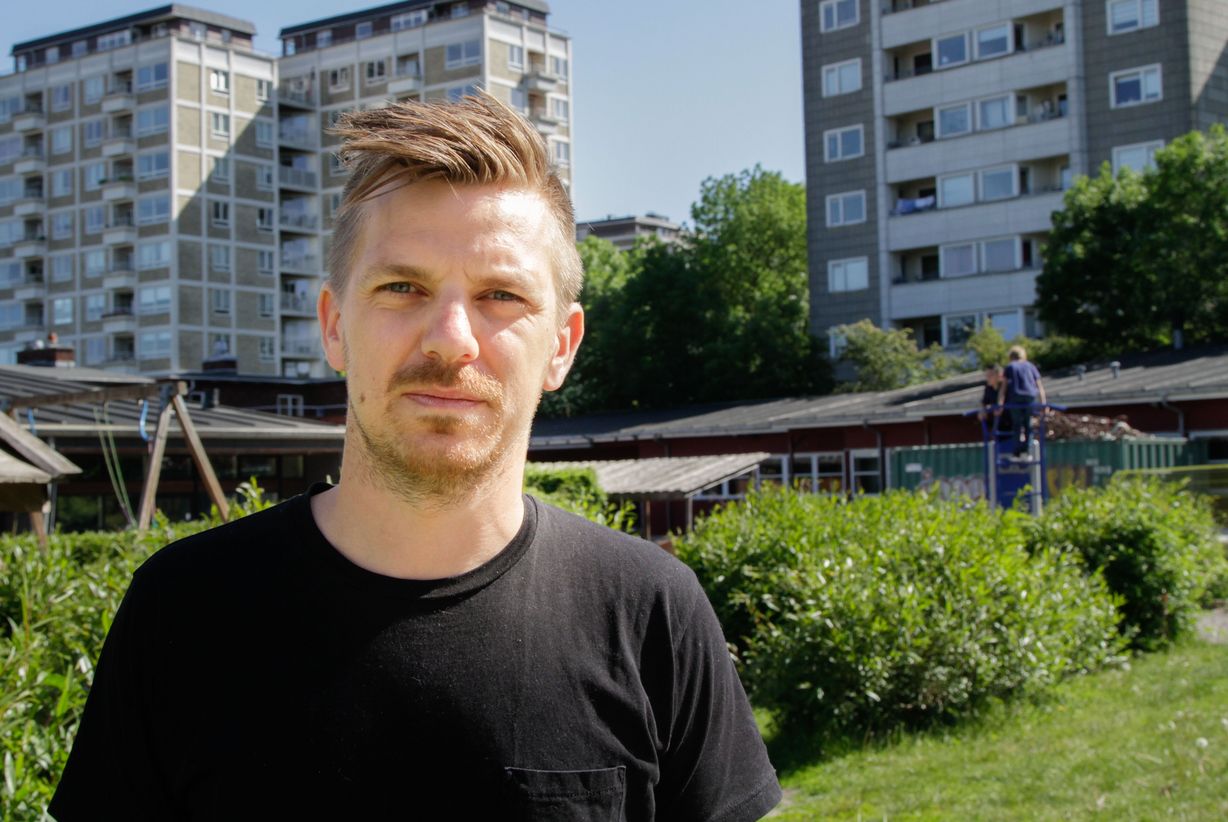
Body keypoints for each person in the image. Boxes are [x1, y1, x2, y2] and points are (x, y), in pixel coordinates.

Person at [50, 94, 781, 821]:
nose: (450, 338)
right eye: (403, 287)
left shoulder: (651, 611)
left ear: (562, 344)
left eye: (501, 294)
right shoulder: (182, 612)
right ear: (335, 327)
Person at [996, 345, 1046, 457]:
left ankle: (1017, 450)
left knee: (1017, 424)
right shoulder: (1031, 366)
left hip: (1015, 397)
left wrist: (1000, 404)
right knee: (1028, 423)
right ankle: (1027, 449)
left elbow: (1003, 388)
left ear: (1011, 356)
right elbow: (1039, 386)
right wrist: (1043, 404)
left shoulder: (1010, 367)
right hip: (1030, 396)